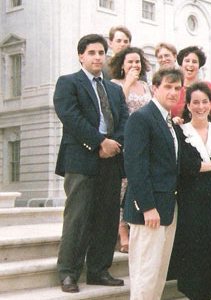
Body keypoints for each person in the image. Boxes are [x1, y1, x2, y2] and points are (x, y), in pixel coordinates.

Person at [54, 34, 128, 293]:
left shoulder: (115, 89)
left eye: (101, 52)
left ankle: (99, 270)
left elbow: (124, 121)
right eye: (92, 52)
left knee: (107, 218)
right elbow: (70, 117)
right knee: (78, 217)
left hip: (112, 160)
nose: (98, 57)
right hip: (81, 159)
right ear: (81, 56)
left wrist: (113, 144)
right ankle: (68, 273)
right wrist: (99, 142)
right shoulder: (68, 83)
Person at [170, 82, 211, 300]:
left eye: (204, 102)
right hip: (191, 203)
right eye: (195, 102)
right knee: (194, 256)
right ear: (188, 105)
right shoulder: (179, 131)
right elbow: (186, 166)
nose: (200, 106)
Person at [123, 68, 183, 300]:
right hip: (149, 210)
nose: (173, 92)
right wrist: (147, 206)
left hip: (168, 207)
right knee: (145, 275)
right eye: (168, 87)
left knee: (157, 275)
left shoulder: (168, 121)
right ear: (154, 88)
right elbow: (135, 166)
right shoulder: (141, 117)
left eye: (177, 88)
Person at [109, 46, 152, 253]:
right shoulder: (116, 84)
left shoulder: (146, 86)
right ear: (122, 66)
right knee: (123, 188)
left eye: (137, 62)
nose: (135, 65)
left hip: (146, 140)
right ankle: (122, 234)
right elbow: (116, 105)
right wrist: (128, 82)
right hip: (126, 139)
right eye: (130, 62)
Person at [171, 46, 211, 118]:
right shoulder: (173, 89)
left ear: (199, 66)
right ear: (181, 64)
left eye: (194, 62)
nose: (190, 65)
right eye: (187, 61)